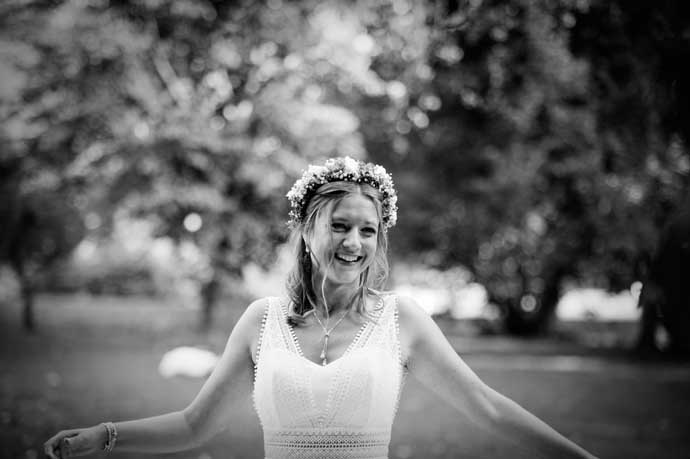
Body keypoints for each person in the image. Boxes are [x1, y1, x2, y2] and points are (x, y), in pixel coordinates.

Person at [44, 156, 599, 459]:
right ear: (308, 231)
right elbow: (194, 425)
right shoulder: (261, 321)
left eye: (368, 230)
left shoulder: (401, 320)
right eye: (339, 226)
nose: (354, 243)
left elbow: (487, 406)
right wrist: (104, 434)